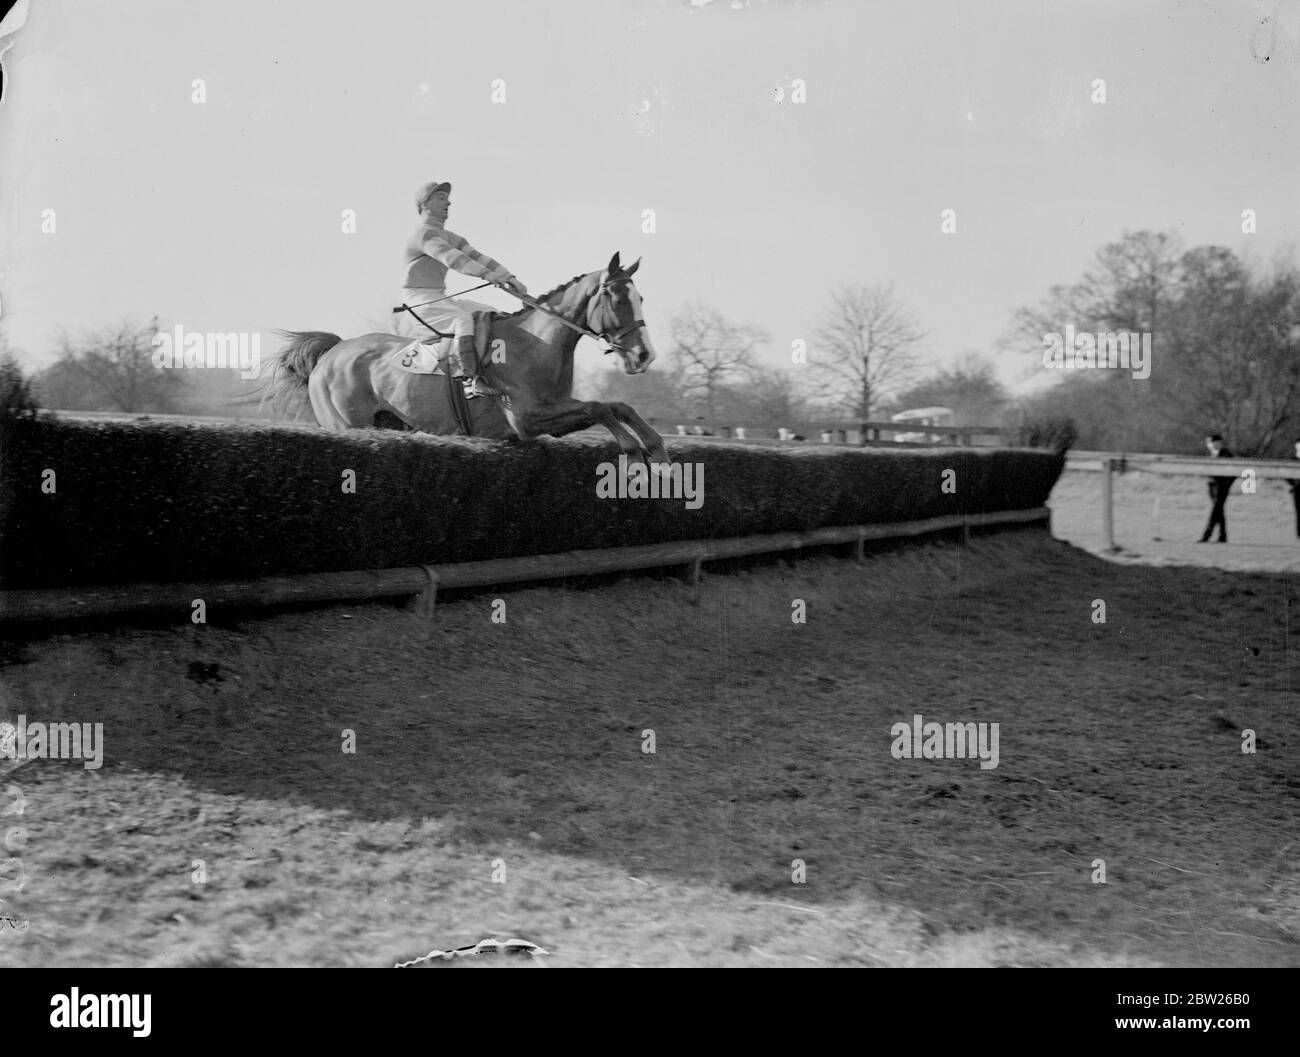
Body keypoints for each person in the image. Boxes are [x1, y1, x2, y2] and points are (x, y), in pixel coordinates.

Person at [398, 181, 528, 377]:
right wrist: (488, 275)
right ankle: (469, 379)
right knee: (462, 321)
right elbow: (452, 258)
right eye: (441, 198)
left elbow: (479, 258)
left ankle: (497, 370)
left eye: (447, 199)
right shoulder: (423, 234)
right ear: (425, 204)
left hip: (440, 298)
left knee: (490, 313)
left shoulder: (453, 237)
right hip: (419, 300)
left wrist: (510, 278)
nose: (448, 203)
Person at [1199, 434, 1235, 543]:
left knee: (1216, 510)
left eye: (1214, 442)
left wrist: (1227, 484)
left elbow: (1233, 471)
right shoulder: (1212, 454)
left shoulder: (1226, 454)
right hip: (1212, 484)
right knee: (1219, 511)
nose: (1211, 445)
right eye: (1209, 443)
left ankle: (1207, 535)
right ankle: (1222, 536)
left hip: (1221, 485)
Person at [1288, 439, 1300, 538]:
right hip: (1297, 489)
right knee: (1299, 511)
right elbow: (1286, 474)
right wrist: (1292, 484)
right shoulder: (1293, 460)